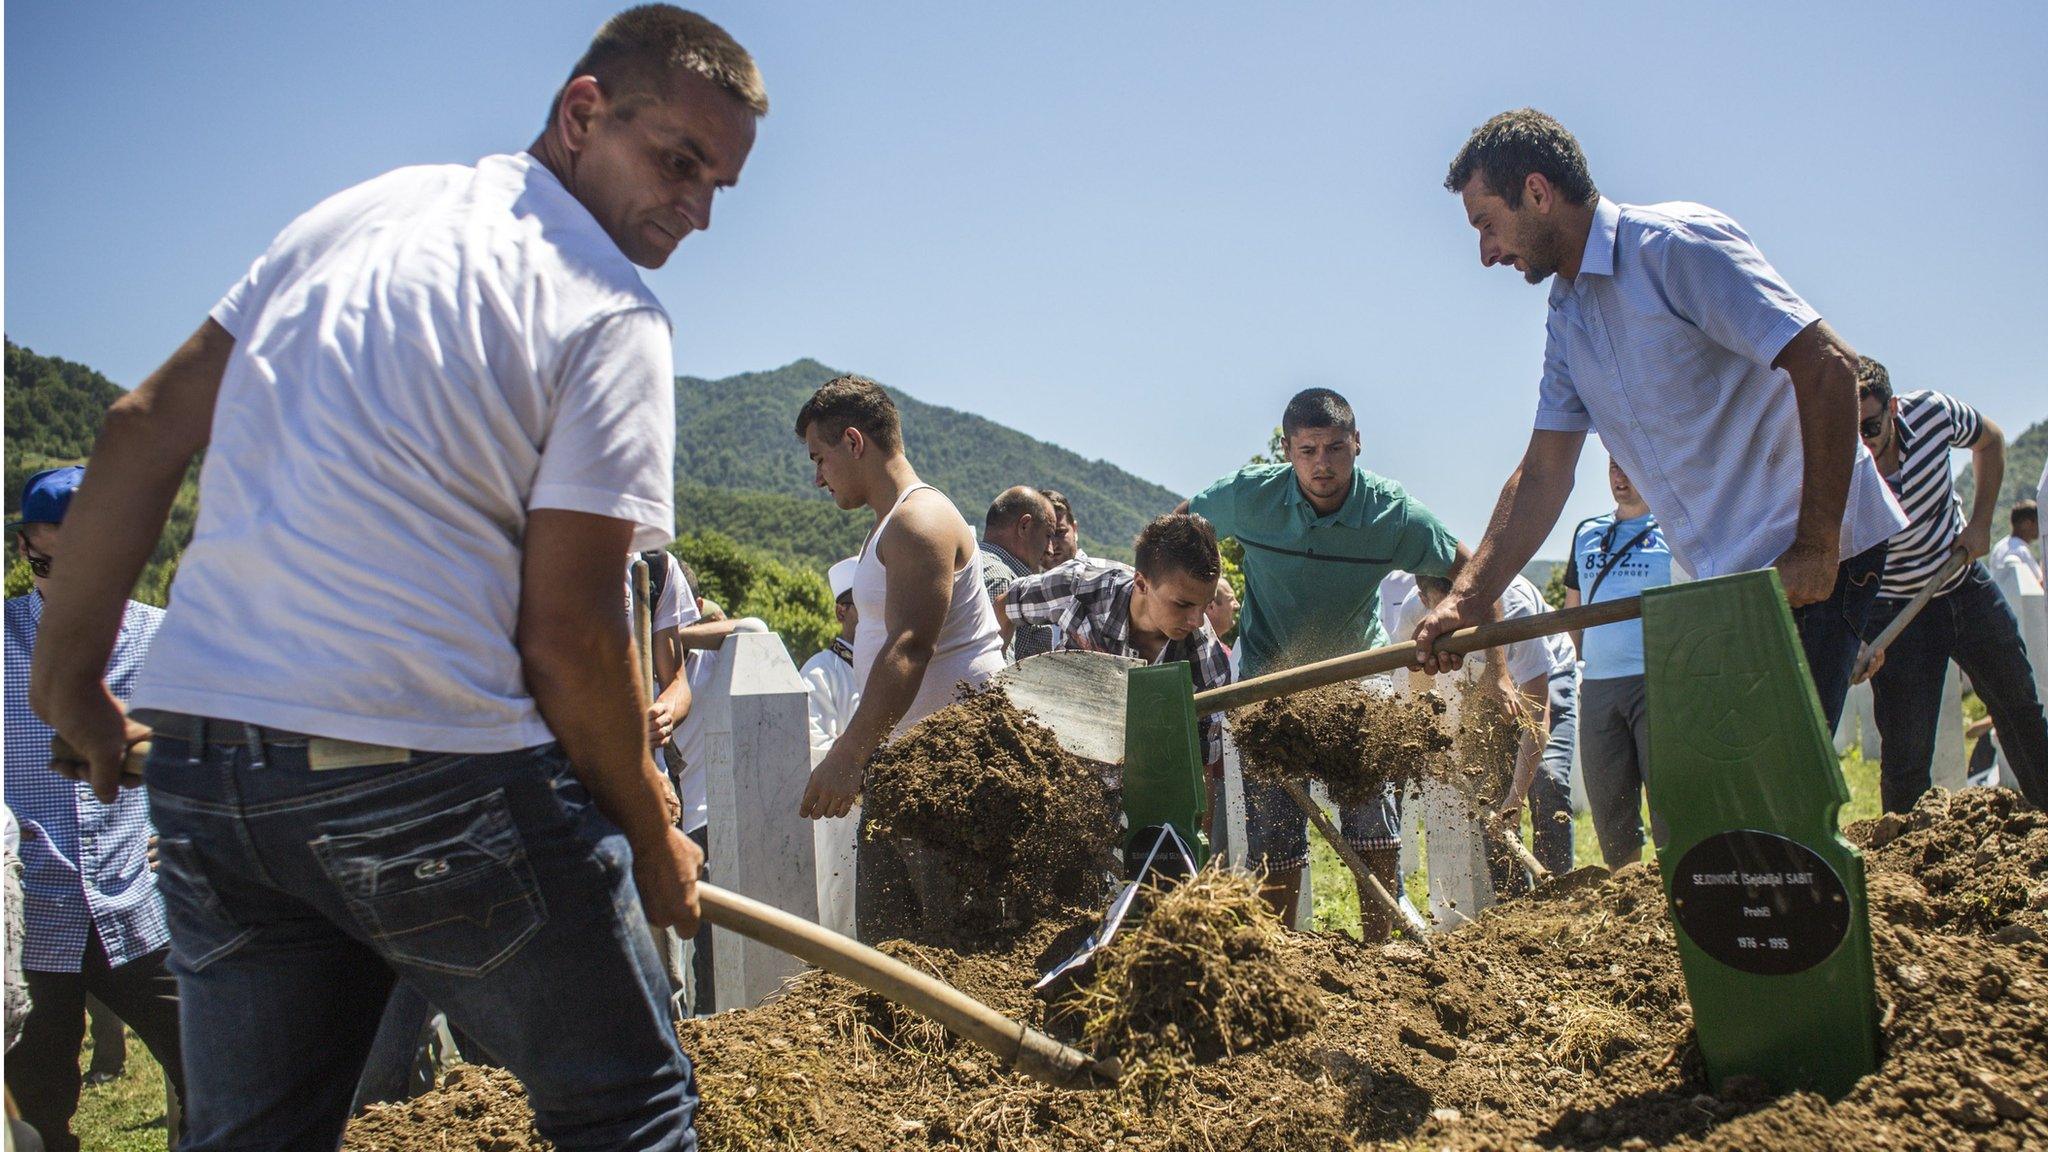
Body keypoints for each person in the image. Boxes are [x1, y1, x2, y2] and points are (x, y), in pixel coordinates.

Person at [28, 9, 767, 1148]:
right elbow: (569, 632)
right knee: (629, 1105)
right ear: (582, 113)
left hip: (218, 779)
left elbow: (142, 426)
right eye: (679, 161)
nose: (699, 208)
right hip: (432, 780)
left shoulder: (350, 220)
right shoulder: (607, 308)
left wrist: (68, 676)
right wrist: (648, 833)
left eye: (719, 184)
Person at [1417, 109, 1907, 738]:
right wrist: (1469, 597)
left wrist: (1816, 547)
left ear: (1537, 193)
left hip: (1812, 555)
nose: (1486, 253)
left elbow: (1830, 366)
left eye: (1488, 224)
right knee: (1725, 790)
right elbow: (1543, 474)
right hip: (1733, 579)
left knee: (1774, 789)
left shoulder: (1672, 249)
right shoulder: (1568, 317)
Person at [1181, 388, 1506, 936]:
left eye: (1335, 447)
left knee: (1372, 826)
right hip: (1267, 686)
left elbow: (1473, 572)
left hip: (1359, 681)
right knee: (1274, 836)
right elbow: (1177, 537)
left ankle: (1382, 954)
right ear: (1287, 450)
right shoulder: (1246, 497)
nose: (1322, 464)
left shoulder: (1393, 513)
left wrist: (1495, 673)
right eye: (1307, 450)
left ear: (1358, 445)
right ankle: (1280, 950)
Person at [4, 466, 185, 1152]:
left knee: (220, 1074)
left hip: (139, 909)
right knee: (38, 1108)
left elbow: (201, 747)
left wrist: (178, 820)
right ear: (29, 547)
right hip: (33, 919)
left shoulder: (165, 637)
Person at [794, 376, 1005, 942]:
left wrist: (849, 753)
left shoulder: (921, 519)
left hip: (956, 774)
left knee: (959, 958)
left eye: (820, 457)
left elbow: (910, 644)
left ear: (855, 442)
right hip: (905, 769)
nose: (817, 476)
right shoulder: (882, 531)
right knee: (893, 960)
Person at [1852, 359, 2048, 813]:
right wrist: (1859, 632)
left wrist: (1980, 523)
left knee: (2019, 707)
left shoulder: (1932, 413)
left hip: (1962, 587)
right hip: (1898, 613)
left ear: (1894, 408)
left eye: (1872, 425)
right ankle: (1903, 866)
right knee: (1904, 755)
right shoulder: (1844, 458)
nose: (1864, 441)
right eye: (1853, 431)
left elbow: (1991, 440)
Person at [1002, 514, 1233, 825]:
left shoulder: (1205, 658)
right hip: (1055, 757)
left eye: (1204, 605)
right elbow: (1005, 607)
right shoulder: (1080, 587)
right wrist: (990, 675)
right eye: (1182, 604)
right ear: (1141, 583)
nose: (1195, 620)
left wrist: (1191, 847)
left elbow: (1201, 767)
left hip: (1143, 777)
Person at [1402, 574, 1577, 884]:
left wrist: (1516, 797)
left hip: (1546, 673)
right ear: (1424, 599)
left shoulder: (1516, 608)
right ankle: (1513, 907)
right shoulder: (1415, 613)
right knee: (1486, 794)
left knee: (1546, 783)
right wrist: (1434, 744)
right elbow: (1421, 690)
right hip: (1479, 681)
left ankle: (1558, 893)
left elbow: (1537, 717)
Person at [1563, 459, 1672, 869]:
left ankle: (1675, 891)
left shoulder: (1674, 532)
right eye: (1612, 467)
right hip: (1598, 685)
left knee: (1668, 801)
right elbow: (1573, 608)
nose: (1620, 477)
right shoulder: (1587, 532)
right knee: (1610, 803)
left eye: (1629, 465)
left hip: (1656, 681)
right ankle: (1627, 897)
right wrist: (1585, 664)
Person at [800, 558, 863, 938]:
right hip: (842, 833)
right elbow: (814, 752)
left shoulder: (888, 674)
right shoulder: (820, 673)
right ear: (842, 610)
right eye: (865, 603)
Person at [979, 487, 1055, 660]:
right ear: (1024, 526)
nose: (1050, 550)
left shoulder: (971, 563)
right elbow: (995, 670)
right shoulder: (1002, 580)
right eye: (1048, 535)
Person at [1989, 500, 2042, 593]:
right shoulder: (2021, 551)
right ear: (2027, 523)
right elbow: (2039, 585)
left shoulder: (1998, 548)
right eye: (2038, 523)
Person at [1042, 489, 1087, 568]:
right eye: (1045, 536)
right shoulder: (1024, 578)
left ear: (1075, 530)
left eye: (1059, 532)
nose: (1052, 545)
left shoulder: (1103, 576)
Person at [1205, 578, 1239, 656]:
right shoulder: (1201, 652)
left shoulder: (1222, 651)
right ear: (1211, 607)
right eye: (1230, 599)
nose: (1237, 605)